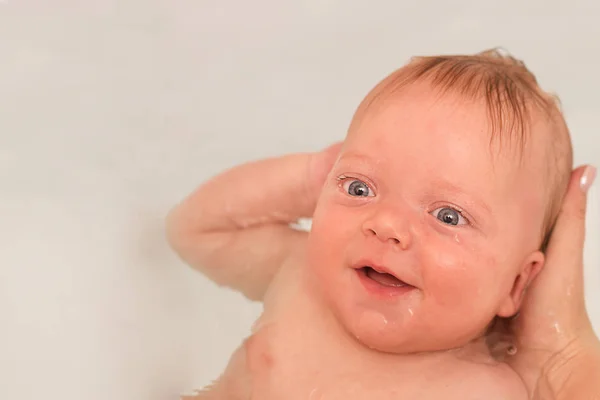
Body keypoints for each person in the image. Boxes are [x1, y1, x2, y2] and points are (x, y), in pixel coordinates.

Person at [166, 49, 600, 399]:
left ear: (516, 285)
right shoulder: (301, 276)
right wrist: (311, 177)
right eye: (359, 189)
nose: (386, 223)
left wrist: (562, 356)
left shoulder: (480, 390)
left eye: (448, 216)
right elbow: (193, 232)